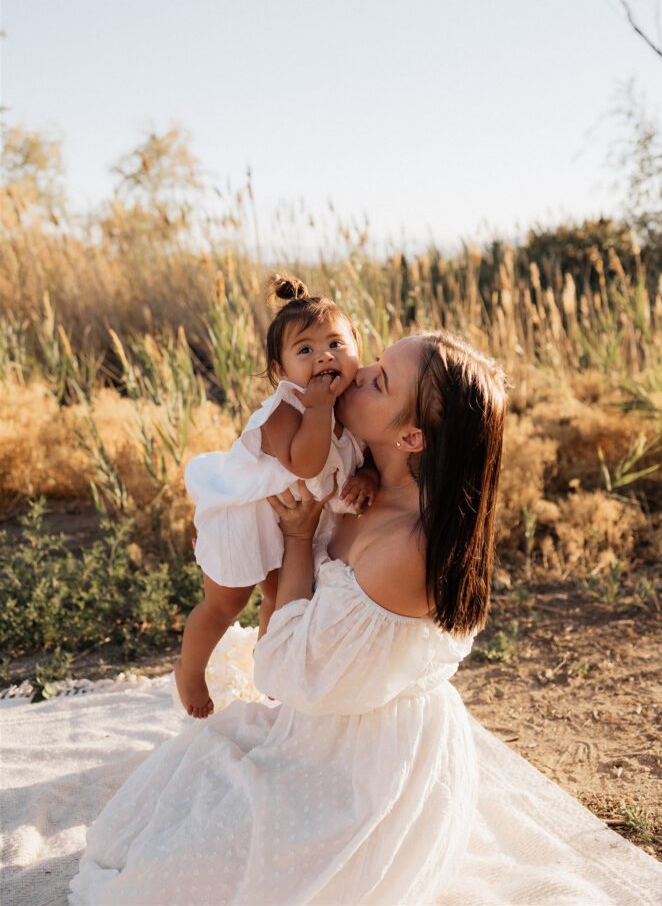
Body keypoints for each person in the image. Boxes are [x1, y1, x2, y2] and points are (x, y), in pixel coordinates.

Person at [67, 329, 510, 906]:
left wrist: (299, 538)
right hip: (325, 712)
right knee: (169, 816)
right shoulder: (359, 466)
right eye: (375, 360)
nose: (360, 371)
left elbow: (284, 670)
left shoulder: (407, 550)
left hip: (365, 762)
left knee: (182, 870)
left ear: (410, 436)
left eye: (380, 380)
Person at [176, 273, 379, 717]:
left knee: (280, 598)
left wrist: (369, 477)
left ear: (357, 349)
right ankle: (189, 672)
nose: (324, 356)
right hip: (246, 517)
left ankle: (274, 678)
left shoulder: (354, 403)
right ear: (281, 371)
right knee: (224, 603)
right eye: (305, 350)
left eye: (335, 344)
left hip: (296, 523)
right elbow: (306, 464)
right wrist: (319, 407)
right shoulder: (286, 409)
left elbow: (365, 457)